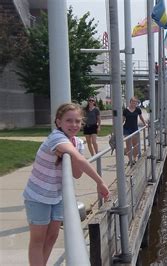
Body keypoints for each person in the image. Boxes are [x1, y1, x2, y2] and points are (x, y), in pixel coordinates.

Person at [23, 103, 110, 266]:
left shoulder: (78, 142)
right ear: (58, 122)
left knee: (52, 237)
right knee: (38, 239)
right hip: (38, 196)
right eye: (69, 120)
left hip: (57, 195)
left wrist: (70, 154)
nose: (74, 125)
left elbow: (76, 174)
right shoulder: (56, 138)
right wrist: (100, 182)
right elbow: (80, 160)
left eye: (78, 121)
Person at [123, 96, 147, 165]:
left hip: (135, 129)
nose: (134, 103)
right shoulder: (125, 110)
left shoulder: (138, 110)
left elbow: (141, 117)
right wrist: (118, 128)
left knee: (136, 145)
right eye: (133, 102)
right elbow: (123, 119)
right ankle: (130, 160)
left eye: (135, 102)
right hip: (126, 129)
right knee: (128, 146)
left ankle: (134, 158)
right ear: (130, 102)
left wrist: (145, 124)